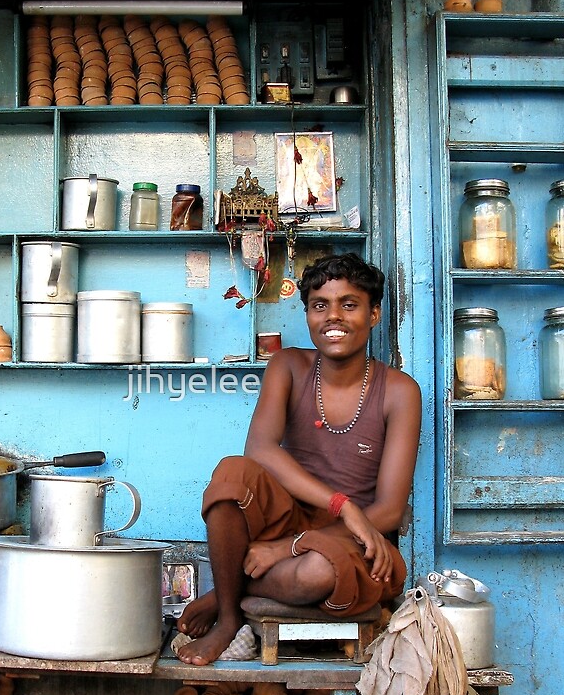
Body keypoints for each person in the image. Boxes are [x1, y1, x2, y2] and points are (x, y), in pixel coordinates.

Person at [176, 252, 422, 666]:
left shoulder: (400, 391)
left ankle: (223, 594)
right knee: (232, 474)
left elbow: (388, 511)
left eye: (349, 304)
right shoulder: (288, 365)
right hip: (294, 519)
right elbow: (260, 449)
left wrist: (291, 548)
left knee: (316, 573)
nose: (333, 317)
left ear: (374, 314)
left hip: (350, 542)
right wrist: (341, 505)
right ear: (307, 315)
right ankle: (230, 620)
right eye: (320, 306)